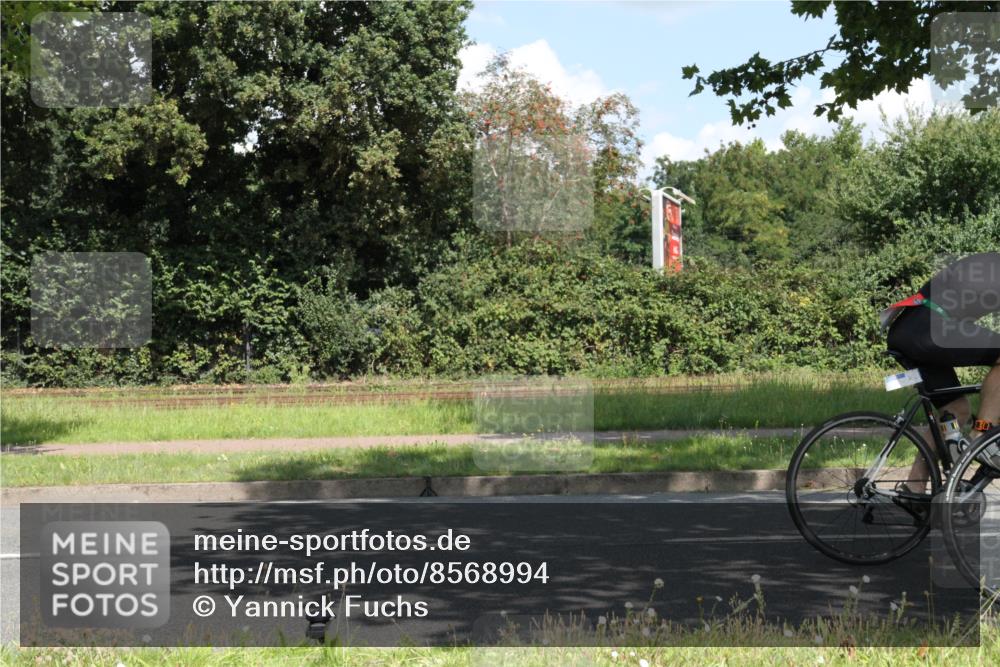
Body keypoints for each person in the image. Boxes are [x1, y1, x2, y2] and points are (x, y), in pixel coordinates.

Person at [881, 251, 1000, 492]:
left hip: (909, 330)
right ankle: (981, 439)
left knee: (955, 409)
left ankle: (913, 489)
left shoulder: (988, 261)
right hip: (930, 329)